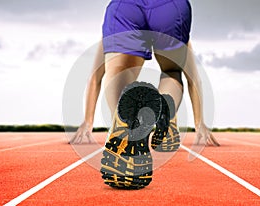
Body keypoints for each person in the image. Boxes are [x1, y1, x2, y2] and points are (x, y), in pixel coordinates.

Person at [71, 0, 220, 189]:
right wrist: (199, 123)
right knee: (172, 72)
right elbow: (194, 79)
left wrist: (88, 120)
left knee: (117, 72)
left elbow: (95, 78)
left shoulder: (111, 24)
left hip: (125, 6)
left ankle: (124, 122)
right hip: (170, 7)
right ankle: (164, 106)